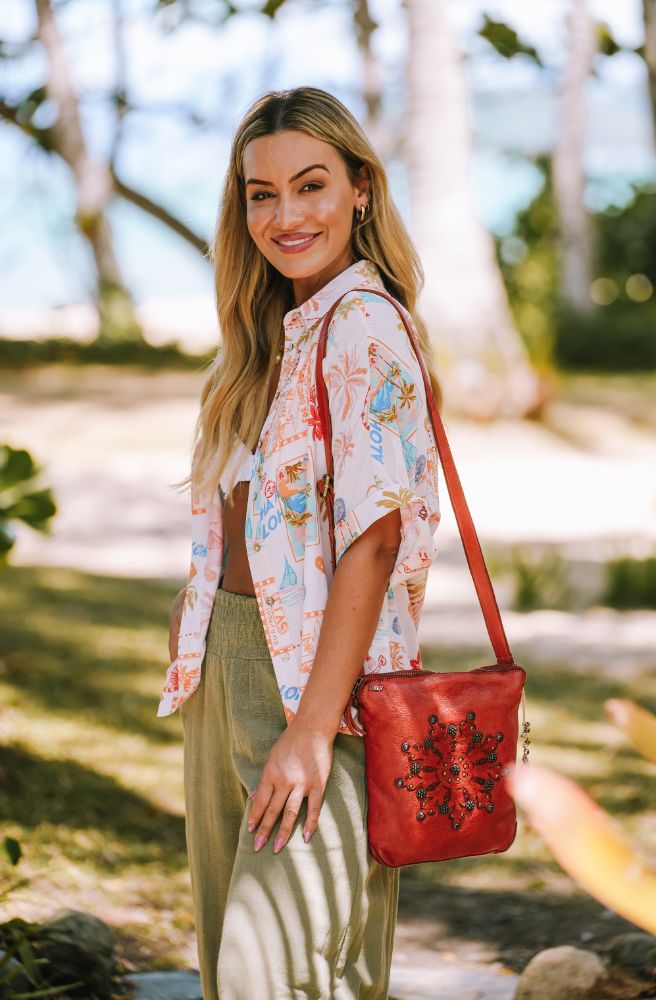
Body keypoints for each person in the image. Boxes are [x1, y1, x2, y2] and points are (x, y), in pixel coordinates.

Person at [158, 85, 443, 1000]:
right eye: (261, 193)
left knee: (262, 970)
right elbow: (249, 510)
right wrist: (195, 609)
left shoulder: (364, 324)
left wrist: (315, 729)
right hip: (228, 666)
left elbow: (373, 539)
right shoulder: (267, 333)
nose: (285, 216)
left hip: (325, 689)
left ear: (362, 189)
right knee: (246, 967)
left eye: (311, 185)